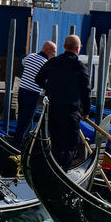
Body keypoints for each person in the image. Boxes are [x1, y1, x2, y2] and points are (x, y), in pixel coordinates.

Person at [34, 33, 91, 167]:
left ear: (64, 46)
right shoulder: (80, 66)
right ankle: (63, 171)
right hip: (71, 112)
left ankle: (54, 169)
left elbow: (38, 79)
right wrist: (86, 112)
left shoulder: (53, 62)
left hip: (53, 110)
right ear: (78, 48)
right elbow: (86, 92)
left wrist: (50, 88)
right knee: (70, 146)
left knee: (56, 144)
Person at [12, 40, 56, 145]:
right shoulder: (46, 63)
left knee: (22, 117)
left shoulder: (31, 56)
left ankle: (18, 140)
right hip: (32, 93)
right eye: (53, 51)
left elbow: (23, 62)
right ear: (47, 50)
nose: (54, 54)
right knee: (27, 120)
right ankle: (18, 144)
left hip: (22, 91)